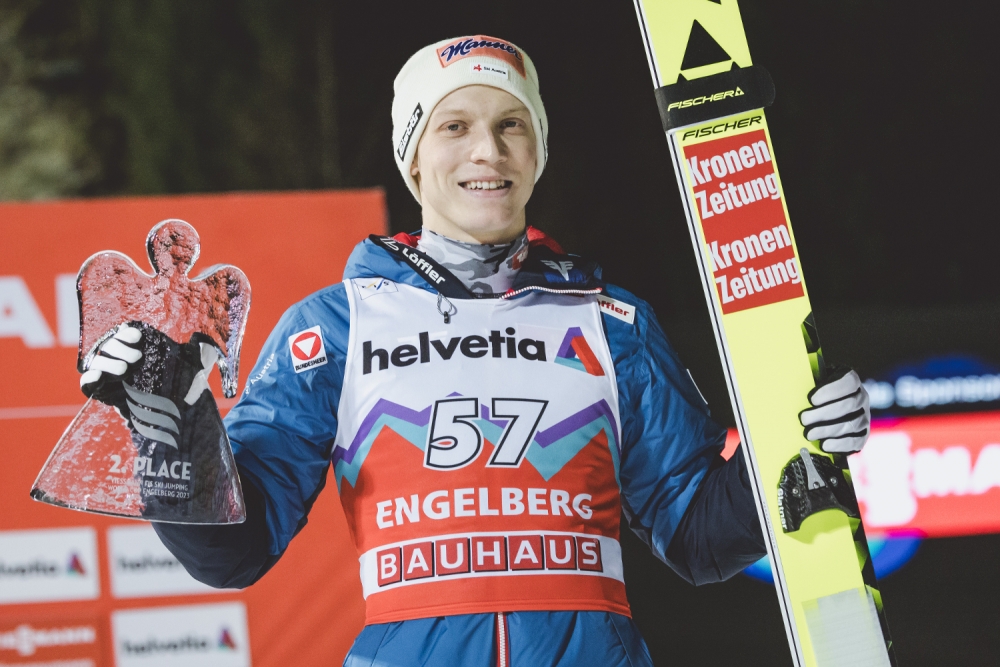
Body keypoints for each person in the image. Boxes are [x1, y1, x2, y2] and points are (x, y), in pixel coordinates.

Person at [81, 35, 871, 667]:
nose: (486, 150)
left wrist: (796, 447)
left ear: (538, 151)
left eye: (511, 124)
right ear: (412, 156)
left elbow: (698, 536)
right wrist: (171, 431)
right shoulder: (336, 325)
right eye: (454, 126)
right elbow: (235, 551)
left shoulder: (613, 321)